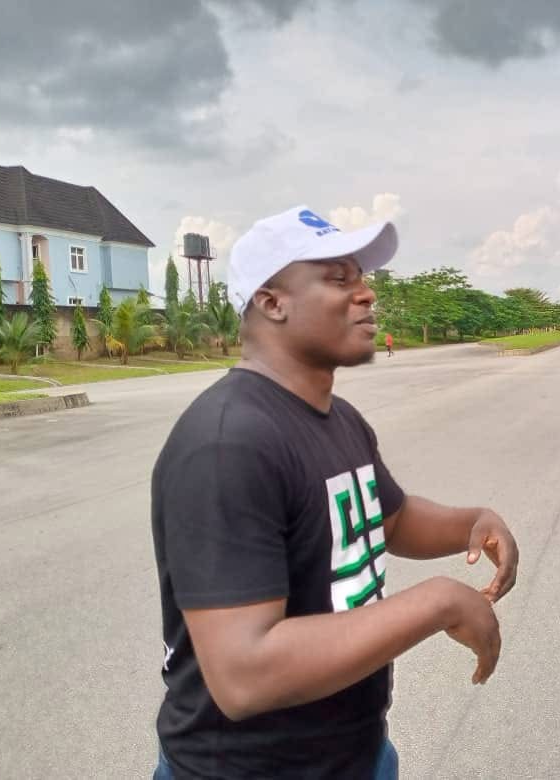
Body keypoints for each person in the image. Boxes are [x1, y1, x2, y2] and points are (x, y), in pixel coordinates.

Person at [150, 205, 519, 780]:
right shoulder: (227, 443)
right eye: (339, 278)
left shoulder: (337, 417)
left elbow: (389, 519)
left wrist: (471, 522)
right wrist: (438, 602)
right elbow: (244, 674)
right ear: (273, 302)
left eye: (362, 277)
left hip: (358, 753)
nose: (367, 293)